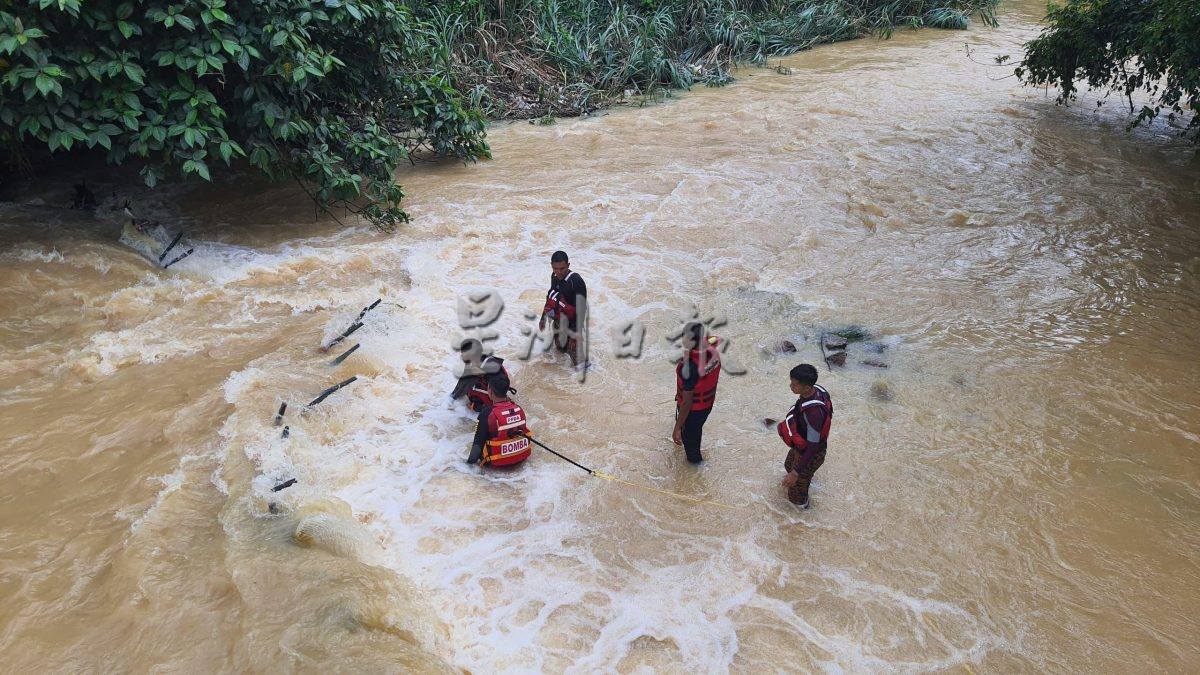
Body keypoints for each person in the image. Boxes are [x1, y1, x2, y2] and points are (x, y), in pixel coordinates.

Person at [776, 364, 833, 508]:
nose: (790, 386)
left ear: (807, 388)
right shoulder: (818, 390)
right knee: (788, 464)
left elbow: (813, 448)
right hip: (804, 446)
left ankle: (802, 521)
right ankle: (804, 479)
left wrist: (796, 473)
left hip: (811, 453)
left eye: (794, 384)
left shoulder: (813, 414)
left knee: (796, 498)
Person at [672, 322, 723, 464]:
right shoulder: (709, 348)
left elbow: (687, 402)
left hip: (693, 410)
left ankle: (696, 470)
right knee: (695, 431)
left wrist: (676, 429)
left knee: (691, 446)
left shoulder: (689, 368)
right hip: (706, 405)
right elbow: (715, 339)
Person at [466, 373, 532, 467]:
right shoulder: (518, 409)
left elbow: (477, 446)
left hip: (497, 464)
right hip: (521, 460)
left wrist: (467, 467)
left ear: (490, 391)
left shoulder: (487, 413)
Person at [538, 250, 587, 367]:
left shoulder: (576, 281)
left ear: (568, 265)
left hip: (572, 323)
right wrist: (543, 318)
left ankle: (589, 380)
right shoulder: (554, 277)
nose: (559, 272)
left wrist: (577, 331)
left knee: (578, 362)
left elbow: (582, 308)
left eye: (562, 268)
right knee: (560, 351)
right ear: (551, 266)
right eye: (555, 268)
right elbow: (551, 297)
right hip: (559, 322)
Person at [449, 338, 511, 413]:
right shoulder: (471, 366)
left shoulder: (491, 364)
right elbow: (459, 390)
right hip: (474, 409)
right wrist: (450, 400)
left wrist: (485, 374)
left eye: (463, 353)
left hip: (492, 411)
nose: (461, 356)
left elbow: (501, 384)